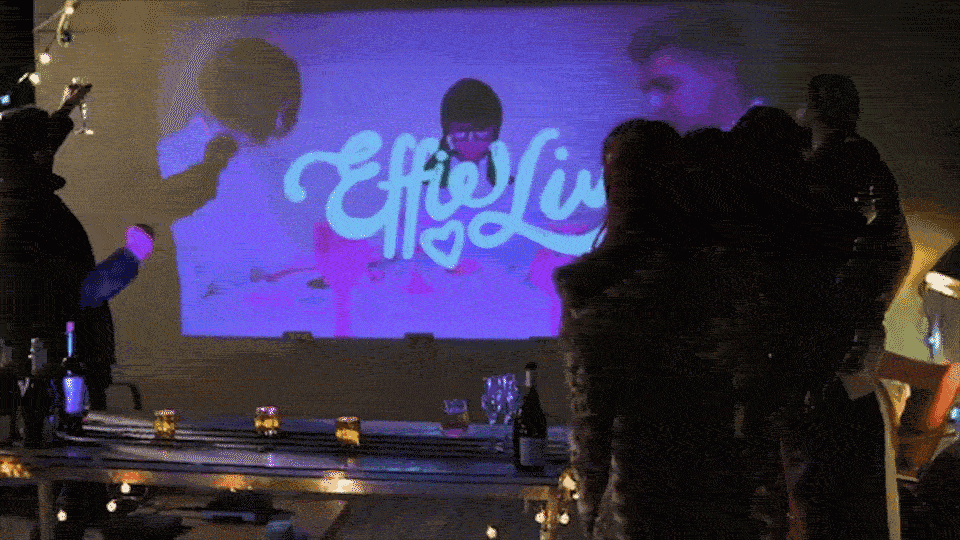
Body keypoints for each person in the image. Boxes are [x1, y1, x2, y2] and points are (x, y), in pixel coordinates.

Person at [775, 75, 914, 540]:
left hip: (816, 375)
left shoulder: (810, 176)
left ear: (814, 110)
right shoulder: (872, 172)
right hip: (851, 377)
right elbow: (895, 254)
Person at [0, 82, 154, 420]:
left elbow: (45, 137)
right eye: (44, 148)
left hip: (25, 366)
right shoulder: (37, 215)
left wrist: (67, 107)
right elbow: (81, 292)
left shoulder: (15, 193)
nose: (50, 151)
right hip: (59, 366)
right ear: (35, 154)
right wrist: (132, 256)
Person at [627, 4, 779, 134]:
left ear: (723, 68)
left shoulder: (775, 139)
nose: (654, 104)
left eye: (666, 86)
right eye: (648, 90)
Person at [423, 78, 513, 189]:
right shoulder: (425, 184)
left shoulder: (510, 186)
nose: (470, 139)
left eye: (480, 130)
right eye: (461, 131)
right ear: (448, 132)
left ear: (494, 132)